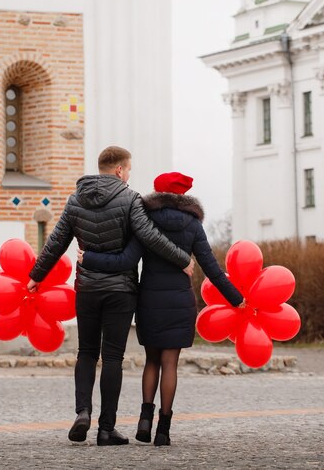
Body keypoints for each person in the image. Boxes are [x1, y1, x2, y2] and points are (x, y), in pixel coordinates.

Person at [27, 148, 195, 446]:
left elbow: (56, 241)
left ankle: (82, 412)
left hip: (87, 288)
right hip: (120, 291)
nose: (129, 175)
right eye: (128, 170)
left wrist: (36, 275)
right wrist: (183, 259)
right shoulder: (130, 199)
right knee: (113, 357)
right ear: (119, 170)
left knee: (86, 352)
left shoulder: (75, 199)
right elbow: (150, 237)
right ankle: (106, 429)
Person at [78, 171, 244, 446]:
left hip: (150, 301)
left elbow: (126, 259)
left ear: (157, 194)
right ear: (182, 196)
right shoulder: (192, 225)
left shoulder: (146, 221)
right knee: (170, 363)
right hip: (179, 302)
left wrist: (90, 259)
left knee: (152, 361)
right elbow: (212, 269)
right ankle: (163, 430)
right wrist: (237, 299)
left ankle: (145, 419)